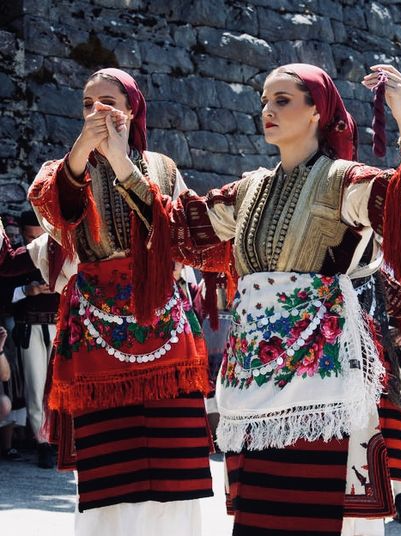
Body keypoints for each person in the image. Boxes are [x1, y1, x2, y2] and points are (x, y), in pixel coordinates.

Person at [151, 63, 401, 535]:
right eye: (264, 101)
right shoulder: (250, 189)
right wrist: (117, 158)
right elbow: (180, 229)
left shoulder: (343, 181)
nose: (267, 110)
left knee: (317, 515)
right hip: (255, 386)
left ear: (317, 112)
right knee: (260, 519)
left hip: (325, 385)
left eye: (282, 100)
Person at [27, 68, 212, 536]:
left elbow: (175, 231)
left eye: (107, 102)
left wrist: (121, 161)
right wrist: (82, 155)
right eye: (87, 105)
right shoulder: (64, 170)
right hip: (96, 331)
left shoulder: (163, 167)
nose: (95, 112)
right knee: (110, 467)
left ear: (132, 110)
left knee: (175, 458)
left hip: (163, 328)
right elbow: (57, 213)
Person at [10, 210, 58, 468]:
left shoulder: (57, 252)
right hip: (30, 328)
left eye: (39, 236)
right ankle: (42, 442)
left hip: (58, 326)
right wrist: (26, 291)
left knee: (58, 386)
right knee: (36, 385)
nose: (35, 242)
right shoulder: (14, 259)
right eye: (30, 237)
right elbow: (4, 294)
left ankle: (60, 437)